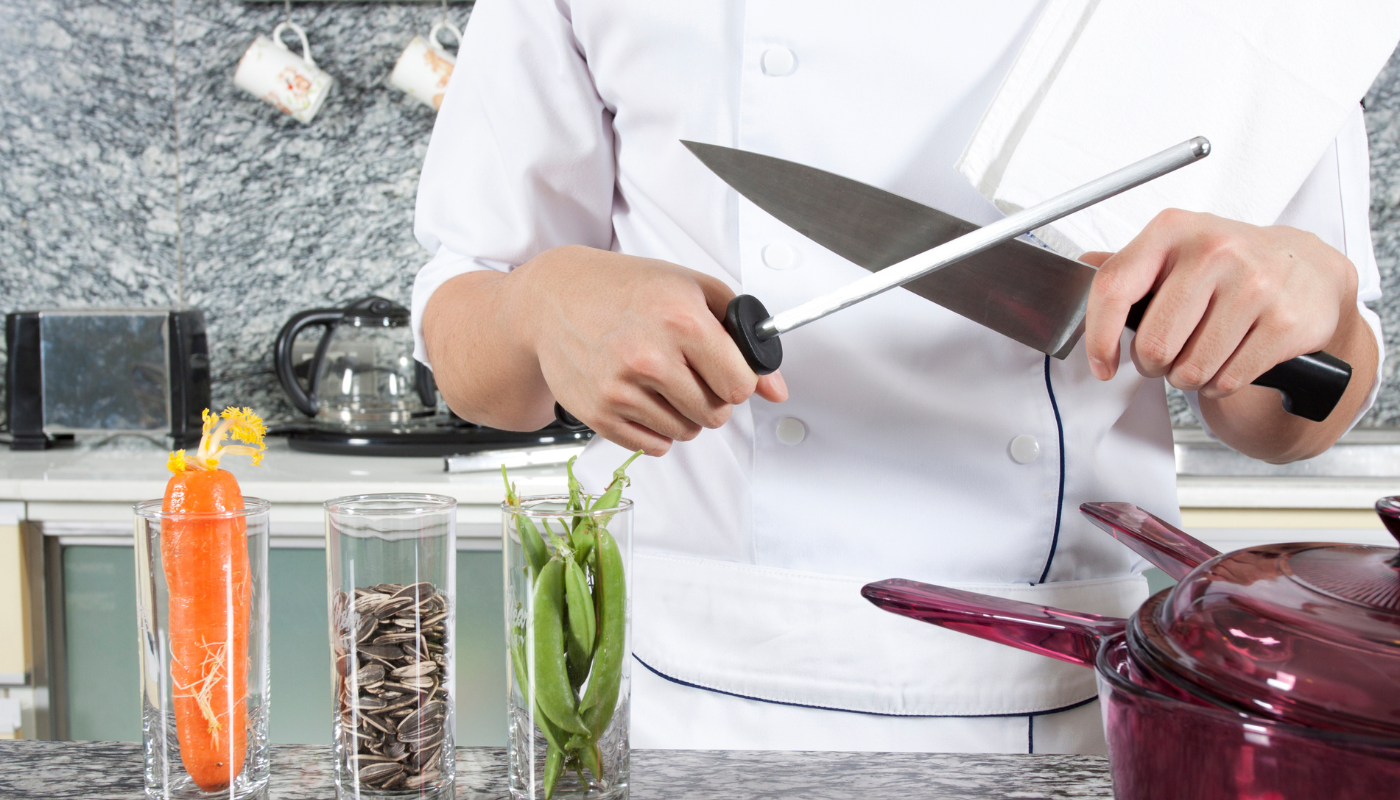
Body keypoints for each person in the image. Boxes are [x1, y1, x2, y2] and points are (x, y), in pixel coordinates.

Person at [411, 1, 1385, 753]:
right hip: (696, 697)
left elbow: (1307, 402)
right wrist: (539, 304)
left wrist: (1290, 313)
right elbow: (470, 345)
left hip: (1068, 687)